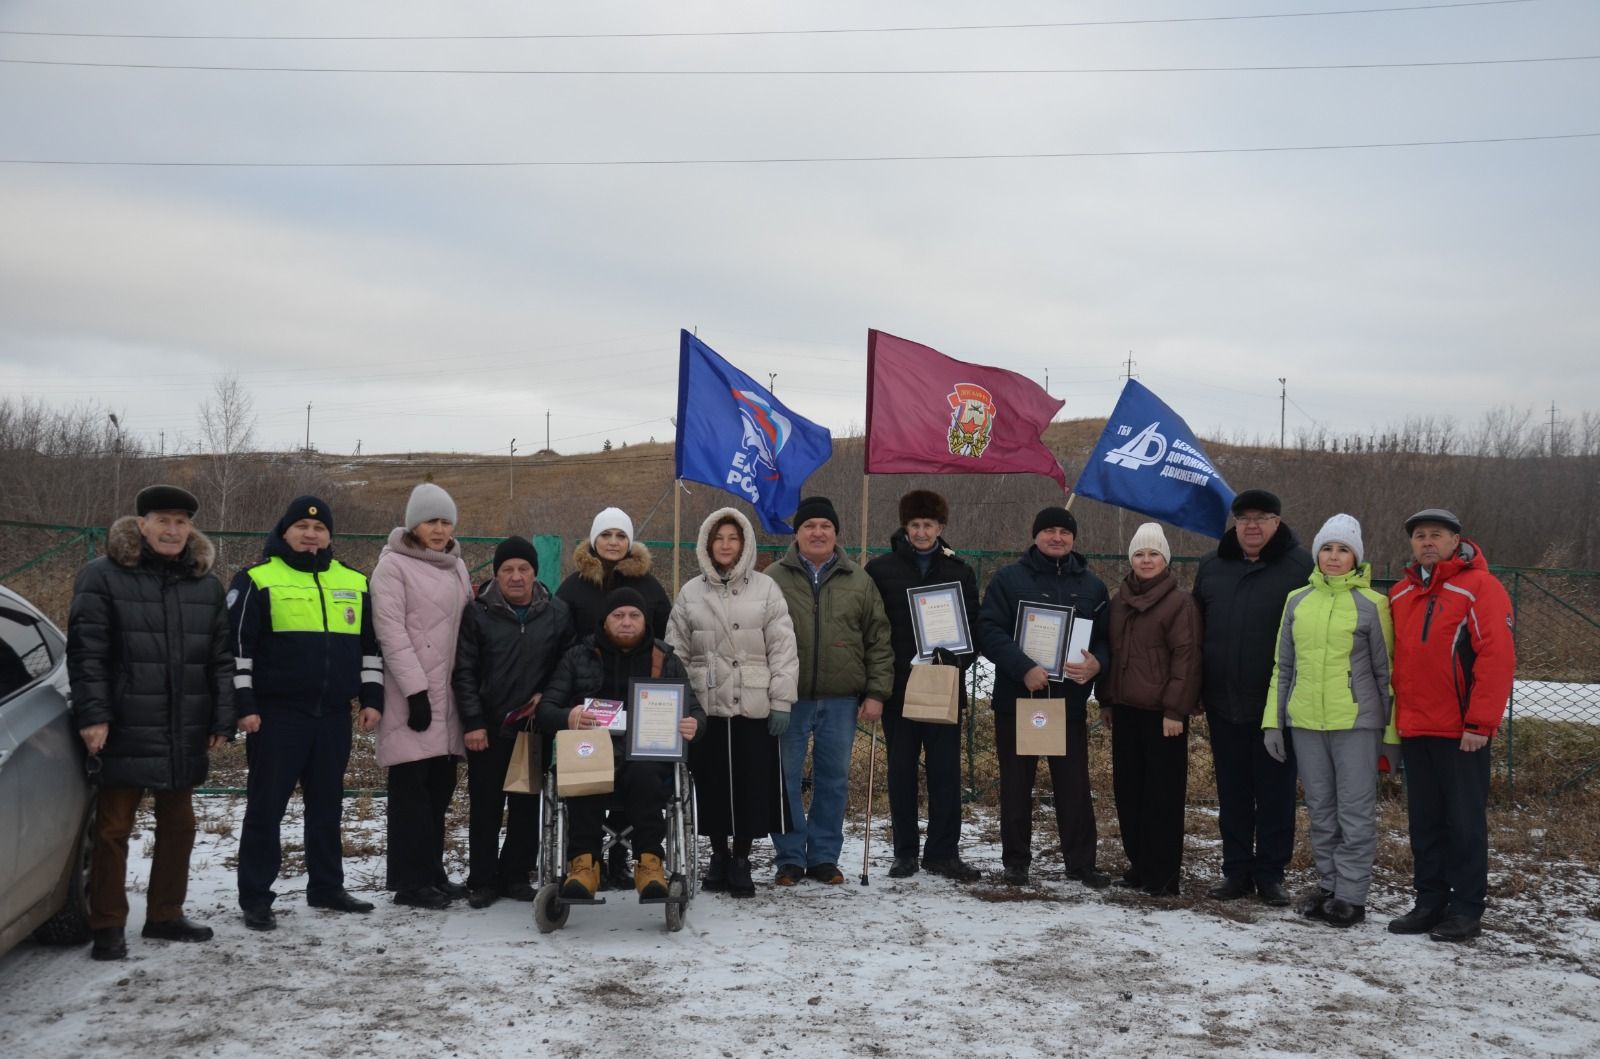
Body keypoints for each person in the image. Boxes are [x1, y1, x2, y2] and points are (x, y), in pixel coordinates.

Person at [67, 484, 235, 960]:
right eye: (163, 520)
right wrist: (94, 715)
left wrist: (221, 716)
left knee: (179, 825)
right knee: (113, 828)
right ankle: (108, 923)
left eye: (181, 522)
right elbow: (87, 654)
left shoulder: (205, 585)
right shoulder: (102, 577)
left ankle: (165, 914)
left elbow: (221, 659)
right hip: (125, 725)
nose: (172, 530)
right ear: (141, 525)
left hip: (184, 726)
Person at [229, 496, 384, 931]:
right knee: (266, 808)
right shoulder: (256, 580)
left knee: (327, 806)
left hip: (333, 715)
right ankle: (256, 896)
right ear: (285, 532)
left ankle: (327, 887)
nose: (311, 534)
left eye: (319, 528)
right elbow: (238, 652)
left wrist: (372, 699)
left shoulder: (354, 581)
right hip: (277, 716)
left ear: (330, 535)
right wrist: (245, 706)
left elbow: (371, 649)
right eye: (301, 526)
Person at [1386, 508, 1515, 943]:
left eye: (1435, 535)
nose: (1426, 542)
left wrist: (1480, 722)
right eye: (1419, 535)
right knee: (1425, 822)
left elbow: (1497, 659)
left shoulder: (1481, 587)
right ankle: (1429, 901)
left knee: (1463, 823)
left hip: (1462, 732)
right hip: (1416, 727)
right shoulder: (1402, 593)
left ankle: (1465, 908)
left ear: (1456, 539)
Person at [1261, 514, 1397, 927]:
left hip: (1356, 723)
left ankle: (1352, 896)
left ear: (1356, 557)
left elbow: (1386, 673)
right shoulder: (1297, 600)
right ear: (1317, 553)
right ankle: (1329, 887)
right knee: (1320, 809)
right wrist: (1274, 721)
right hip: (1306, 722)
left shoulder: (1374, 605)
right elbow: (1283, 666)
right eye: (1327, 548)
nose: (1334, 557)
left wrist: (1390, 733)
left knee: (1354, 812)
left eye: (1343, 550)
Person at [538, 588, 705, 898]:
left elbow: (694, 709)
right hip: (593, 750)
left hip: (646, 754)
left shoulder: (664, 658)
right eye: (618, 615)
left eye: (634, 616)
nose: (626, 622)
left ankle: (650, 864)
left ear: (645, 621)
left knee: (645, 775)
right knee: (587, 771)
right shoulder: (578, 656)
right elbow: (546, 709)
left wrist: (694, 723)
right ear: (604, 622)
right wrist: (568, 716)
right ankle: (583, 866)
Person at [977, 505, 1112, 888]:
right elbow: (989, 629)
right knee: (1017, 785)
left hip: (1067, 703)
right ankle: (1016, 861)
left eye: (1065, 532)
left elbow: (1106, 637)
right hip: (1017, 699)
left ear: (1074, 539)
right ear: (1036, 535)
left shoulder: (1092, 586)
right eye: (1049, 530)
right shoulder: (1008, 579)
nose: (1057, 537)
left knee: (1073, 786)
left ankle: (1081, 863)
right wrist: (1023, 668)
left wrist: (1097, 664)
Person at [666, 508, 798, 896]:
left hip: (753, 704)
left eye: (733, 538)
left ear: (745, 544)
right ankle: (718, 856)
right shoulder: (691, 591)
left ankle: (742, 860)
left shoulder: (766, 589)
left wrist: (782, 701)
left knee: (750, 785)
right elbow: (677, 651)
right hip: (706, 705)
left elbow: (783, 648)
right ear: (708, 544)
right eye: (718, 538)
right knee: (712, 786)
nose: (726, 545)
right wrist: (679, 703)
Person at [1192, 488, 1313, 906]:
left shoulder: (1301, 567)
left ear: (1277, 522)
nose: (1252, 525)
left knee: (1276, 792)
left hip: (1276, 705)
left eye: (1262, 517)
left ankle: (1271, 874)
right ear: (1234, 523)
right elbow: (1196, 631)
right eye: (1244, 518)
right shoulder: (1212, 566)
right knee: (1234, 792)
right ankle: (1237, 871)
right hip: (1224, 701)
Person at [765, 496, 894, 886]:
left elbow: (879, 639)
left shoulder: (859, 579)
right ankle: (789, 856)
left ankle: (823, 856)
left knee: (833, 779)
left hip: (841, 698)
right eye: (809, 526)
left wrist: (876, 692)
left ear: (836, 533)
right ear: (797, 533)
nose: (818, 532)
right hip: (789, 699)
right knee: (783, 777)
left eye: (825, 526)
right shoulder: (773, 577)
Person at [864, 489, 982, 882]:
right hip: (900, 687)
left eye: (928, 524)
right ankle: (905, 852)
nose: (921, 531)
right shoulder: (880, 571)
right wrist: (878, 682)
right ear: (905, 526)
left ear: (941, 527)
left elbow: (973, 630)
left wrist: (958, 660)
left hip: (944, 685)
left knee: (945, 772)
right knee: (901, 772)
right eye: (914, 524)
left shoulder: (959, 572)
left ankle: (943, 852)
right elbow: (871, 631)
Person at [453, 536, 575, 908]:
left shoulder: (556, 612)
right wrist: (472, 721)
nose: (516, 576)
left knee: (526, 804)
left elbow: (567, 664)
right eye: (508, 569)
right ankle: (484, 879)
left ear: (535, 573)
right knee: (486, 805)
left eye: (524, 569)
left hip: (532, 726)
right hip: (489, 727)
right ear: (497, 575)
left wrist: (548, 697)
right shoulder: (478, 612)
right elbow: (465, 671)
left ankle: (516, 874)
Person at [555, 506, 672, 887]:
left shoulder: (650, 587)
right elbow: (559, 638)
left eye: (620, 535)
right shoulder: (573, 587)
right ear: (593, 539)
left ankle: (627, 858)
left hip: (640, 699)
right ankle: (586, 863)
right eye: (606, 535)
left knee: (640, 766)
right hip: (590, 690)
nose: (613, 542)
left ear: (630, 542)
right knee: (592, 765)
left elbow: (663, 640)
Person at [370, 483, 472, 909]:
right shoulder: (392, 567)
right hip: (411, 697)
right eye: (432, 521)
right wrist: (415, 691)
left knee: (439, 787)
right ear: (414, 523)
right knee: (411, 791)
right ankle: (409, 882)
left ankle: (431, 870)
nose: (439, 529)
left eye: (446, 522)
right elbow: (390, 632)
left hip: (449, 698)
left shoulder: (456, 567)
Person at [1100, 522, 1202, 897]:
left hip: (1164, 717)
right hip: (1126, 711)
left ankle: (1162, 874)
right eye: (1140, 554)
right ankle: (1139, 864)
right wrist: (1107, 699)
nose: (1146, 560)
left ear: (1165, 559)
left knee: (1162, 796)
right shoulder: (1119, 601)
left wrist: (1176, 710)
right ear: (1131, 559)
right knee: (1129, 792)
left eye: (1153, 554)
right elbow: (1112, 653)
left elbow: (1187, 659)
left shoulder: (1180, 603)